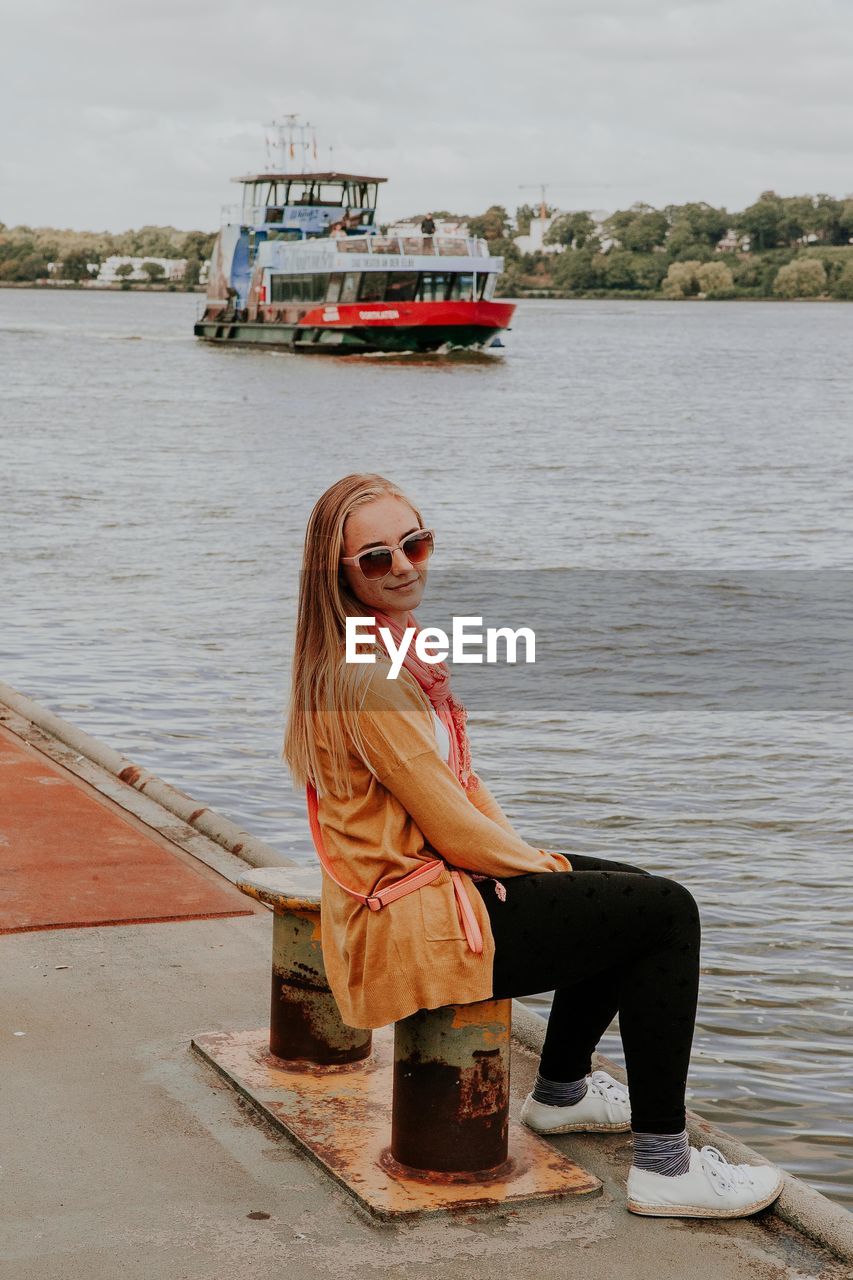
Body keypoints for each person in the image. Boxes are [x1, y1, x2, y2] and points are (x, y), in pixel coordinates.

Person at [282, 473, 785, 1220]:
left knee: (624, 886)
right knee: (663, 912)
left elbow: (459, 789)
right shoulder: (368, 678)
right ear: (339, 575)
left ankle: (561, 1093)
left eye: (414, 544)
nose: (406, 567)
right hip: (408, 924)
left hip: (427, 892)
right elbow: (451, 829)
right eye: (378, 559)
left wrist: (537, 861)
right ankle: (663, 1167)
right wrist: (534, 867)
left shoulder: (388, 649)